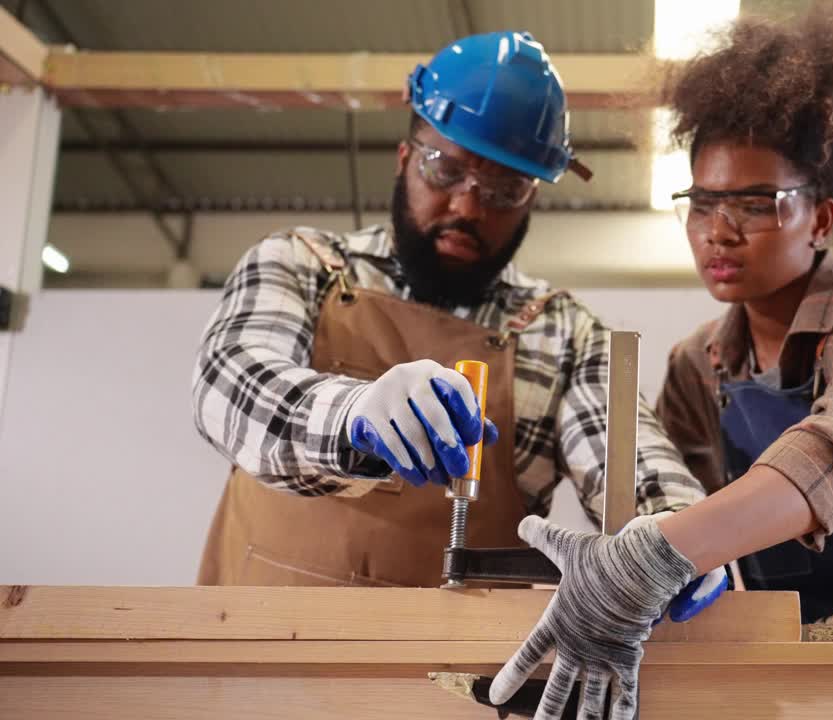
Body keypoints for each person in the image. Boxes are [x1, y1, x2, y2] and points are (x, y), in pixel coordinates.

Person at [488, 6, 833, 718]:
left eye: (756, 204)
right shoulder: (698, 366)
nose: (720, 230)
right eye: (702, 203)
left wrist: (653, 557)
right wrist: (640, 570)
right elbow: (675, 506)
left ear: (823, 219)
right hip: (811, 664)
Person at [190, 31, 715, 597]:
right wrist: (354, 413)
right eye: (444, 170)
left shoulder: (564, 335)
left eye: (504, 189)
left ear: (532, 198)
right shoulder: (299, 264)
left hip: (456, 677)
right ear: (404, 159)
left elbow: (628, 458)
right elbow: (229, 384)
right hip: (257, 658)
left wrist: (679, 535)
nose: (467, 206)